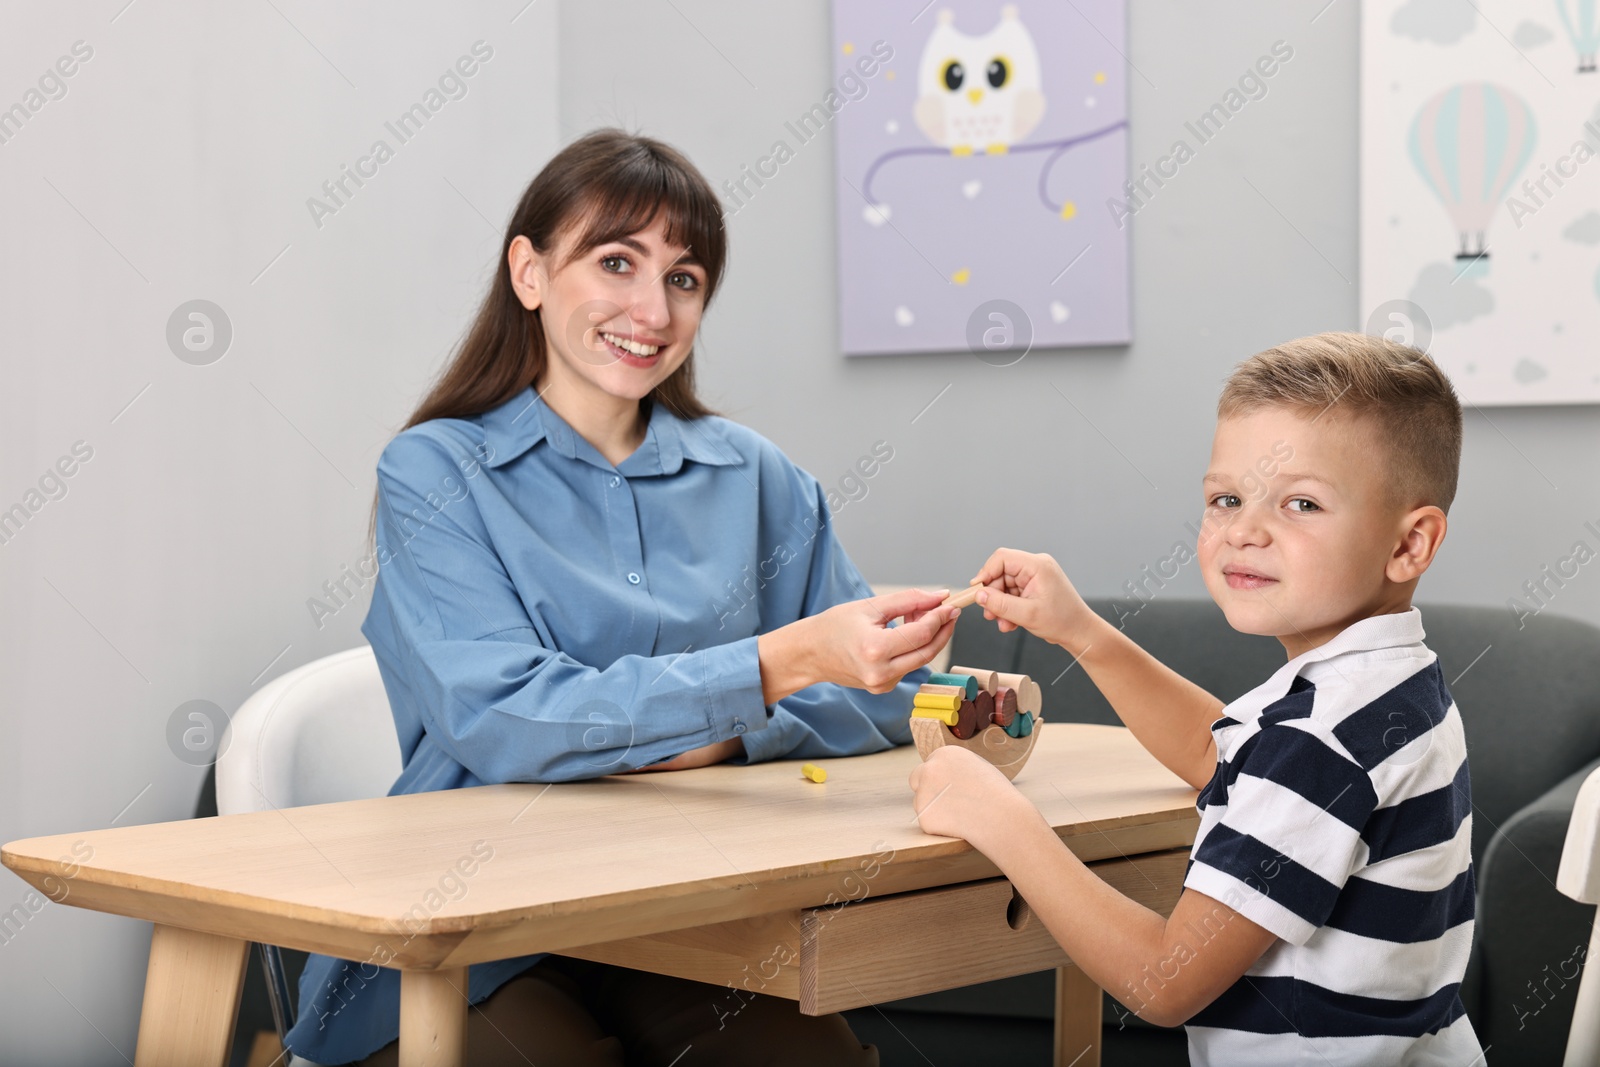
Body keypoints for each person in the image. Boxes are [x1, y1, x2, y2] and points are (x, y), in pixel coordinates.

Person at [282, 128, 959, 1066]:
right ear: (529, 271)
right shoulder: (435, 471)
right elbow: (506, 717)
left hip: (692, 916)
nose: (652, 308)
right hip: (481, 920)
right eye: (615, 262)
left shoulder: (760, 477)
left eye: (683, 278)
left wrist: (731, 732)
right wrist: (775, 667)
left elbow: (888, 695)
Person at [909, 332, 1484, 1065]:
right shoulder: (1388, 686)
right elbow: (1221, 756)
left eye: (1301, 502)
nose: (1245, 530)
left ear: (1409, 544)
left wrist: (1002, 819)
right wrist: (1080, 631)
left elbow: (1165, 977)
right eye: (1226, 498)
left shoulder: (1318, 740)